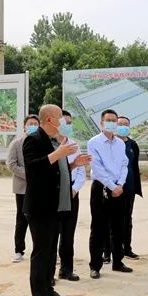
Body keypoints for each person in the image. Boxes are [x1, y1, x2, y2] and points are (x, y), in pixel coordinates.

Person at [23, 104, 91, 296]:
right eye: (60, 117)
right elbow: (34, 169)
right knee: (41, 254)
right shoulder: (33, 140)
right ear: (50, 119)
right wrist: (58, 153)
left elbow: (55, 172)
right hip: (40, 207)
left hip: (56, 206)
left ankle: (49, 291)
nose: (63, 121)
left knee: (51, 252)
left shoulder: (54, 141)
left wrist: (73, 164)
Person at [87, 109, 133, 279]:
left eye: (114, 120)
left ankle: (118, 262)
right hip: (101, 188)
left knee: (118, 227)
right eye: (109, 120)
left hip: (119, 189)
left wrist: (120, 184)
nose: (112, 123)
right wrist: (112, 186)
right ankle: (95, 265)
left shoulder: (120, 143)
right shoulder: (94, 142)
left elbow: (124, 164)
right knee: (98, 228)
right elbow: (97, 168)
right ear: (101, 123)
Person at [55, 110, 86, 282]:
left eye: (70, 122)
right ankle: (49, 272)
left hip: (72, 193)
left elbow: (81, 170)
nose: (67, 126)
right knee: (53, 234)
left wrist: (74, 189)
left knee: (68, 233)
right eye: (64, 122)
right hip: (55, 193)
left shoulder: (74, 144)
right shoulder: (51, 144)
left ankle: (66, 269)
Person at [6, 115, 40, 263]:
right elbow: (11, 164)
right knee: (22, 219)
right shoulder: (16, 144)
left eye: (35, 124)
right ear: (24, 126)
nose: (33, 126)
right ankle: (18, 250)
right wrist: (30, 175)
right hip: (22, 188)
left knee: (39, 220)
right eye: (30, 124)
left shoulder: (41, 143)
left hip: (39, 187)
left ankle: (41, 249)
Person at [116, 116, 143, 259]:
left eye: (126, 124)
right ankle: (109, 250)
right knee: (113, 219)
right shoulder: (111, 143)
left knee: (127, 218)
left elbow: (134, 164)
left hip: (130, 186)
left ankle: (127, 247)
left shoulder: (132, 144)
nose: (123, 127)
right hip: (114, 186)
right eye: (120, 124)